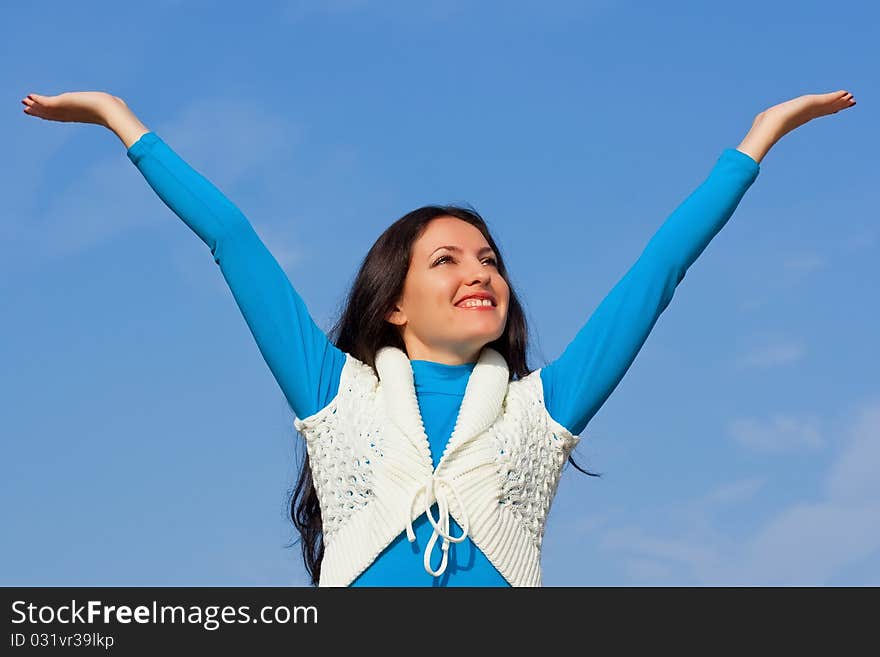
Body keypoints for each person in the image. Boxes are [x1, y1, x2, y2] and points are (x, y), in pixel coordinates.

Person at [21, 89, 856, 587]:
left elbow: (658, 272)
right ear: (395, 302)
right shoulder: (334, 399)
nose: (480, 272)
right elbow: (231, 239)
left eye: (490, 258)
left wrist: (757, 140)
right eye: (447, 258)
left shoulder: (541, 414)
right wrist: (118, 120)